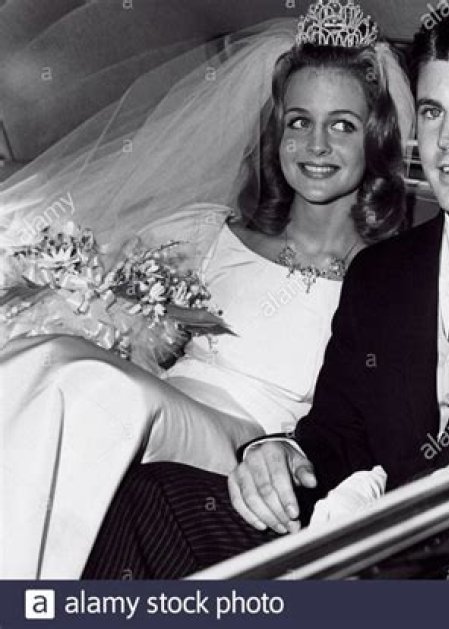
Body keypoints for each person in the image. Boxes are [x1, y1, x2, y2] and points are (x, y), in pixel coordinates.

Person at [84, 2, 449, 579]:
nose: (448, 140)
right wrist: (282, 452)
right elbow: (337, 429)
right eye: (433, 111)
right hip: (357, 544)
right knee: (151, 495)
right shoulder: (382, 272)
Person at [0, 4, 414, 579]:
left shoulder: (388, 281)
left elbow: (367, 426)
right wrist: (111, 311)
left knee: (96, 386)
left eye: (342, 125)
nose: (316, 145)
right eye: (299, 122)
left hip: (244, 443)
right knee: (41, 355)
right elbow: (132, 317)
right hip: (158, 405)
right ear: (278, 131)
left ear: (374, 137)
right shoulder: (207, 233)